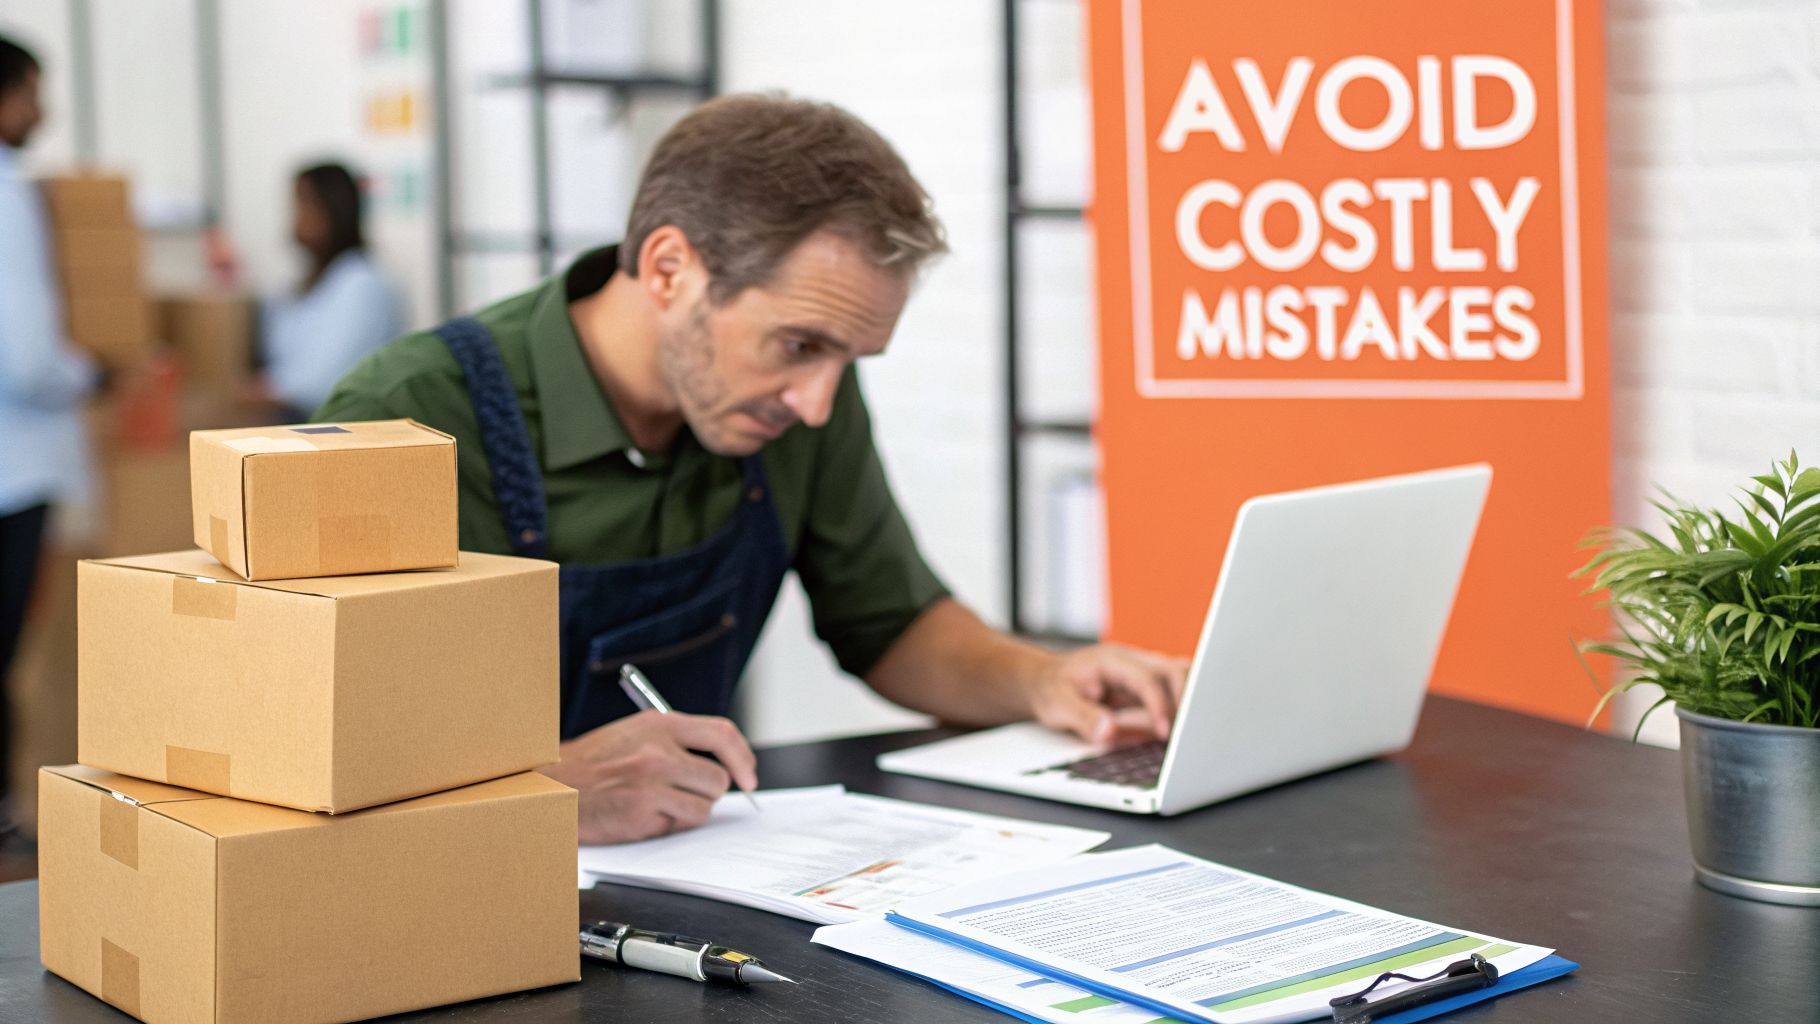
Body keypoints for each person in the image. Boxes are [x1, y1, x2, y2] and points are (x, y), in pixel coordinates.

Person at [318, 94, 1186, 845]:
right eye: (800, 345)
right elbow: (316, 752)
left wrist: (1042, 679)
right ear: (669, 269)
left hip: (688, 893)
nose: (816, 403)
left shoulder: (797, 398)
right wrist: (546, 790)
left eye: (848, 360)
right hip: (442, 912)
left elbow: (891, 623)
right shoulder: (405, 417)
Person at [0, 34, 99, 827]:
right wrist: (92, 372)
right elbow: (31, 357)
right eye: (34, 92)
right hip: (14, 469)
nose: (44, 111)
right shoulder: (7, 195)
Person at [255, 162, 401, 420]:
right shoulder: (296, 285)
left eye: (304, 205)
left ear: (335, 209)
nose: (296, 218)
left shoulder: (363, 284)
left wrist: (256, 394)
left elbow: (318, 384)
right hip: (296, 421)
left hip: (338, 428)